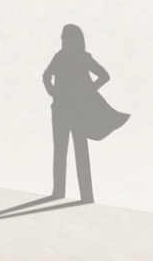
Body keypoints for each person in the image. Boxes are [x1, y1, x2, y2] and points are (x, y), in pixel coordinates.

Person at [43, 24, 129, 202]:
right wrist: (53, 92)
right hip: (63, 111)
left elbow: (104, 75)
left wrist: (88, 91)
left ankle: (82, 195)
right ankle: (63, 192)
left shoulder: (81, 57)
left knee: (77, 152)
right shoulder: (61, 57)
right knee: (64, 153)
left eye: (68, 38)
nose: (65, 41)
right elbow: (46, 76)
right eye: (64, 38)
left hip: (74, 111)